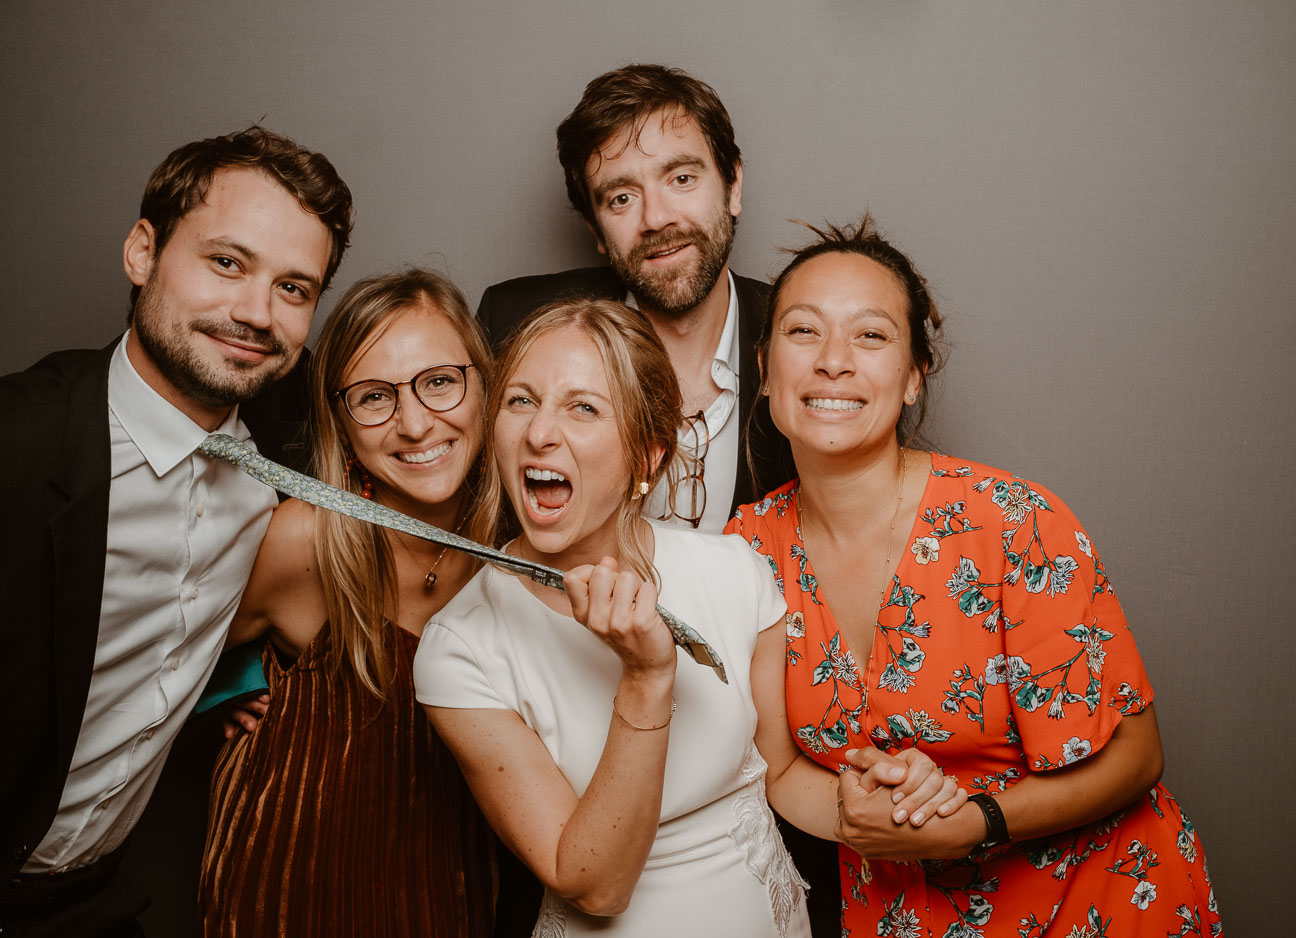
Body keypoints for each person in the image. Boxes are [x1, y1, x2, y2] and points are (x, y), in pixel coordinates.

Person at [729, 218, 1223, 937]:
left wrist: (976, 822)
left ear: (911, 377)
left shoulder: (1014, 524)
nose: (833, 361)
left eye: (870, 336)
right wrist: (857, 811)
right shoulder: (745, 553)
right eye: (803, 331)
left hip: (1098, 900)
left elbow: (1138, 754)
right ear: (767, 366)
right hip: (912, 914)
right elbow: (774, 771)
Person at [412, 299, 964, 937]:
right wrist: (648, 678)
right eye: (520, 401)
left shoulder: (734, 571)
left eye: (584, 407)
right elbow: (594, 883)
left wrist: (869, 806)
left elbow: (780, 776)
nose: (540, 433)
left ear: (647, 456)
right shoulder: (460, 648)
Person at [0, 126, 352, 936]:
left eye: (294, 289)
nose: (255, 313)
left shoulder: (280, 478)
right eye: (226, 262)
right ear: (142, 252)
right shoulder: (18, 443)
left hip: (89, 903)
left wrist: (230, 694)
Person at [197, 269, 502, 935]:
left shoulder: (522, 548)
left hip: (448, 890)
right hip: (294, 890)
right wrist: (227, 685)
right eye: (373, 397)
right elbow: (151, 645)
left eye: (440, 381)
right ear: (342, 419)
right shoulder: (306, 539)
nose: (416, 423)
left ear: (485, 383)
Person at [476, 64, 794, 533]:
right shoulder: (513, 323)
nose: (657, 218)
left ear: (733, 185)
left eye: (682, 179)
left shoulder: (801, 339)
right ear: (596, 230)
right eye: (621, 198)